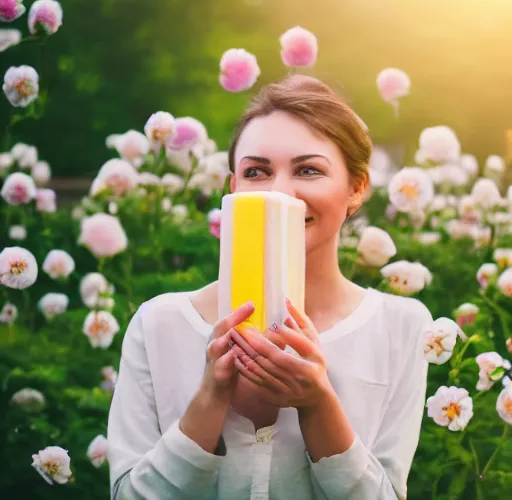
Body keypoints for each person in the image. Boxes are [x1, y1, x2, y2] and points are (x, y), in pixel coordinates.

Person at [107, 75, 432, 500]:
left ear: (356, 188)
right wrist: (210, 399)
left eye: (308, 170)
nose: (279, 192)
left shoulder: (402, 327)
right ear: (233, 188)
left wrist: (318, 405)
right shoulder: (158, 324)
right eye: (257, 172)